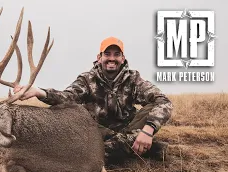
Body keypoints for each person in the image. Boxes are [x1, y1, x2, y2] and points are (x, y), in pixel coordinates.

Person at [14, 37, 173, 164]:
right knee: (65, 116)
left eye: (116, 55)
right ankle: (138, 150)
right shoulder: (87, 79)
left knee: (154, 106)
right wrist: (39, 92)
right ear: (99, 57)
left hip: (130, 130)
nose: (112, 58)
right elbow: (67, 97)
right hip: (95, 133)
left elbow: (163, 101)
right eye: (107, 54)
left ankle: (106, 153)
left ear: (123, 58)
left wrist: (147, 130)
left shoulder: (133, 79)